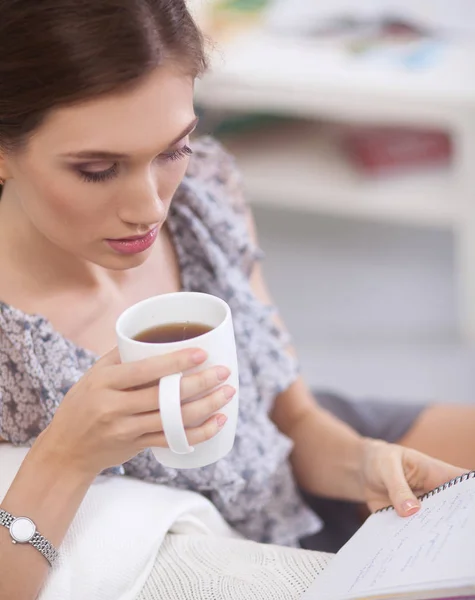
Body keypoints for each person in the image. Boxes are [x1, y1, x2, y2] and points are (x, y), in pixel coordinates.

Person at [0, 1, 473, 598]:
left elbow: (293, 416)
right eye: (97, 169)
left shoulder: (206, 189)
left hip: (301, 462)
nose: (150, 206)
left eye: (173, 149)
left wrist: (366, 464)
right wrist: (69, 454)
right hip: (231, 547)